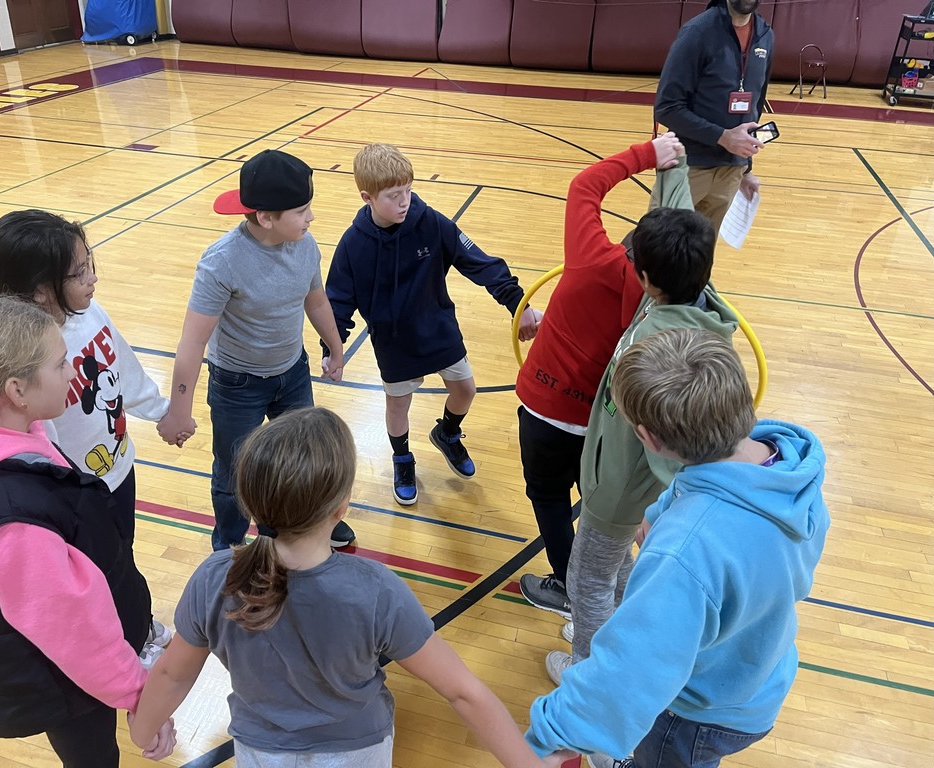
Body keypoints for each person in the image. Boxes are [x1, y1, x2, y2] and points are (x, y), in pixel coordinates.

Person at [129, 407, 571, 768]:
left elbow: (172, 672)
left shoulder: (214, 577)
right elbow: (462, 691)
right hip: (357, 752)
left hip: (261, 754)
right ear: (341, 509)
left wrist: (144, 728)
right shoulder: (377, 591)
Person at [526, 327, 830, 768]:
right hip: (758, 675)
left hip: (693, 714)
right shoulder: (789, 467)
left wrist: (550, 732)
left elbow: (630, 675)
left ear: (648, 439)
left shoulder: (687, 551)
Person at [0, 296, 177, 767]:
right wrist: (139, 695)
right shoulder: (11, 521)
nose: (74, 370)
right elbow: (71, 630)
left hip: (57, 665)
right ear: (16, 390)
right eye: (60, 364)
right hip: (59, 682)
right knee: (92, 756)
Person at [546, 174, 739, 685]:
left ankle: (589, 677)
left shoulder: (659, 349)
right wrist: (671, 164)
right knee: (611, 568)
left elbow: (674, 447)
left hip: (618, 488)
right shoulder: (694, 293)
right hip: (628, 482)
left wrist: (649, 505)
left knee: (586, 579)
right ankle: (625, 631)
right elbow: (681, 217)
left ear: (649, 280)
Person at [0, 208, 179, 665]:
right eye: (79, 272)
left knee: (121, 557)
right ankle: (125, 644)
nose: (92, 279)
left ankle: (138, 623)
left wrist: (160, 412)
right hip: (75, 497)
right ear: (40, 290)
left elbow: (123, 368)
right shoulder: (19, 361)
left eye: (91, 265)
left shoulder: (88, 314)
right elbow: (29, 444)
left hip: (116, 466)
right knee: (100, 571)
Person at [517, 134, 684, 622]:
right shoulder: (663, 306)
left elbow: (585, 187)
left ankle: (571, 590)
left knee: (546, 496)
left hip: (544, 409)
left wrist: (647, 154)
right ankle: (614, 592)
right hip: (602, 425)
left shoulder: (593, 256)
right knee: (599, 514)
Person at [154, 149, 355, 551]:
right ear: (266, 217)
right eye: (301, 211)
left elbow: (315, 300)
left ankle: (301, 526)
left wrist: (335, 348)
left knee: (303, 459)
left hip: (292, 373)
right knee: (233, 475)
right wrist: (179, 409)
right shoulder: (222, 262)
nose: (311, 218)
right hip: (237, 384)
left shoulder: (304, 244)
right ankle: (228, 547)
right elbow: (192, 342)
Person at [324, 143, 540, 505]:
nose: (405, 201)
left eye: (408, 190)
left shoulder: (430, 222)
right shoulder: (352, 245)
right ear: (368, 197)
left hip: (438, 328)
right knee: (398, 406)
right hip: (394, 343)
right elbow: (338, 301)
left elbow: (479, 262)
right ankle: (402, 458)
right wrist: (333, 348)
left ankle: (448, 434)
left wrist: (518, 304)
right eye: (394, 196)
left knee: (465, 390)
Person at [654, 0, 774, 234]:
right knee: (659, 252)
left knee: (701, 256)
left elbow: (755, 107)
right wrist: (722, 137)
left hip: (731, 171)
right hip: (689, 167)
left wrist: (746, 168)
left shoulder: (765, 36)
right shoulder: (697, 32)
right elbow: (666, 107)